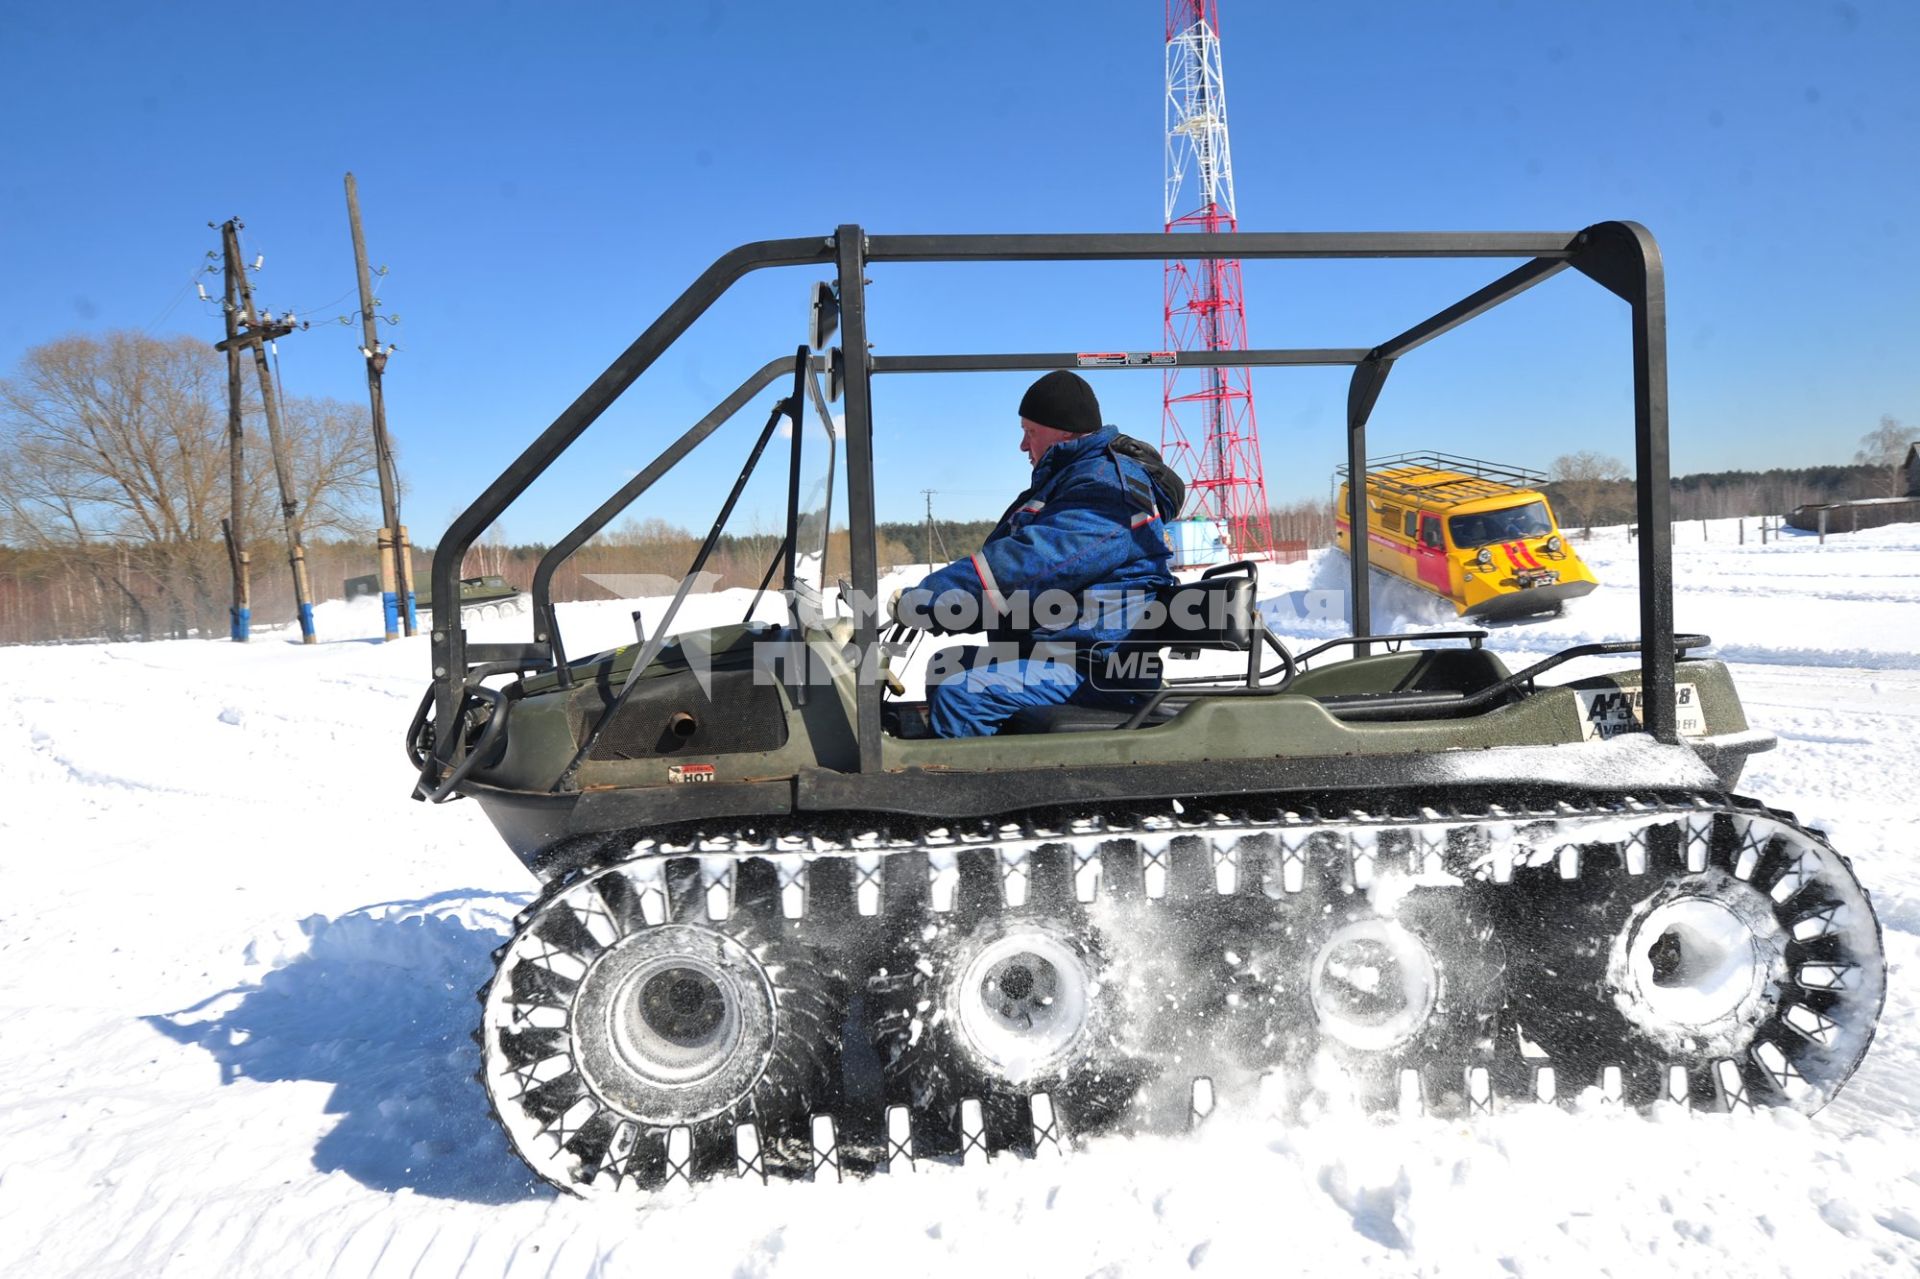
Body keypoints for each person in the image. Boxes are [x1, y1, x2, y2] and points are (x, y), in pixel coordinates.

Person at [892, 370, 1180, 738]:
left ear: (1064, 431)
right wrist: (950, 609)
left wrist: (934, 596)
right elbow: (1012, 572)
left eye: (1030, 432)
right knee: (948, 666)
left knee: (963, 693)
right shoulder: (1068, 479)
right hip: (1065, 652)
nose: (1023, 446)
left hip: (1101, 668)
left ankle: (971, 793)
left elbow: (1033, 565)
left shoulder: (1106, 488)